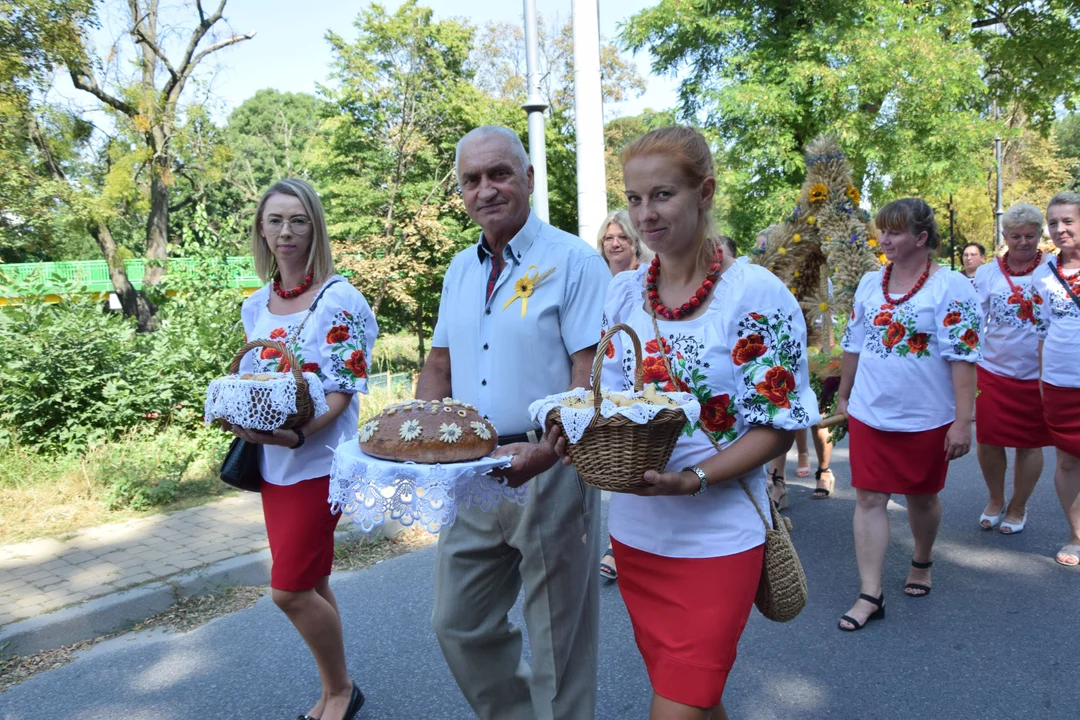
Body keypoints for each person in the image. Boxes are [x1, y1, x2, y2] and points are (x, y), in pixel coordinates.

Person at [551, 125, 818, 719]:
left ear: (705, 192)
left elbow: (778, 425)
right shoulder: (623, 295)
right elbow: (611, 400)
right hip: (640, 534)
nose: (645, 213)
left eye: (662, 195)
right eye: (635, 198)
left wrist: (695, 479)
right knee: (698, 701)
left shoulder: (753, 295)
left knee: (676, 707)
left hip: (717, 536)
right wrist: (573, 433)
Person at [416, 125, 610, 719]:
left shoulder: (572, 261)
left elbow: (592, 373)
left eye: (499, 173)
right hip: (471, 468)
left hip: (549, 464)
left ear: (527, 178)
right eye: (471, 179)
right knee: (458, 625)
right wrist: (419, 441)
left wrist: (549, 453)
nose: (486, 189)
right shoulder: (459, 269)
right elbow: (439, 364)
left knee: (557, 642)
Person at [228, 178, 375, 720]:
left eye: (298, 220)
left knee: (287, 591)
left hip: (321, 463)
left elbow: (342, 392)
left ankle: (341, 692)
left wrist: (297, 434)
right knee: (311, 580)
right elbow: (254, 378)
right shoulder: (255, 305)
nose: (285, 232)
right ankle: (331, 687)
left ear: (315, 227)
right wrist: (245, 416)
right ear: (261, 231)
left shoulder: (340, 300)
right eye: (275, 221)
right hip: (274, 463)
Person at [835, 198, 981, 631]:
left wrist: (962, 421)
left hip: (926, 417)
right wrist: (843, 397)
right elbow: (853, 343)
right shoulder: (868, 283)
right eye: (882, 231)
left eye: (894, 232)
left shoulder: (951, 286)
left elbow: (963, 357)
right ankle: (870, 594)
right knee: (869, 498)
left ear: (921, 238)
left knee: (921, 496)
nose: (884, 240)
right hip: (869, 412)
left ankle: (922, 559)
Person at [972, 203, 1051, 535]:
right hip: (993, 370)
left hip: (1038, 372)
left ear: (1039, 235)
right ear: (1004, 237)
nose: (1023, 242)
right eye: (1016, 236)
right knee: (989, 440)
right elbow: (975, 321)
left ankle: (1018, 505)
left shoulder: (1053, 269)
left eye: (1030, 236)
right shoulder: (987, 273)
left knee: (1029, 443)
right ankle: (995, 499)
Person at [1031, 191, 1080, 567]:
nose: (1060, 229)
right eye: (1053, 223)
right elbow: (1043, 332)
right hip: (1062, 382)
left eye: (1068, 221)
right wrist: (1044, 381)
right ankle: (1077, 534)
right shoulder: (1042, 275)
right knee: (1066, 462)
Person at [597, 209, 650, 274]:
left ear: (636, 241)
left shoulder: (648, 276)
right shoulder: (595, 278)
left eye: (622, 237)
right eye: (609, 238)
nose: (615, 244)